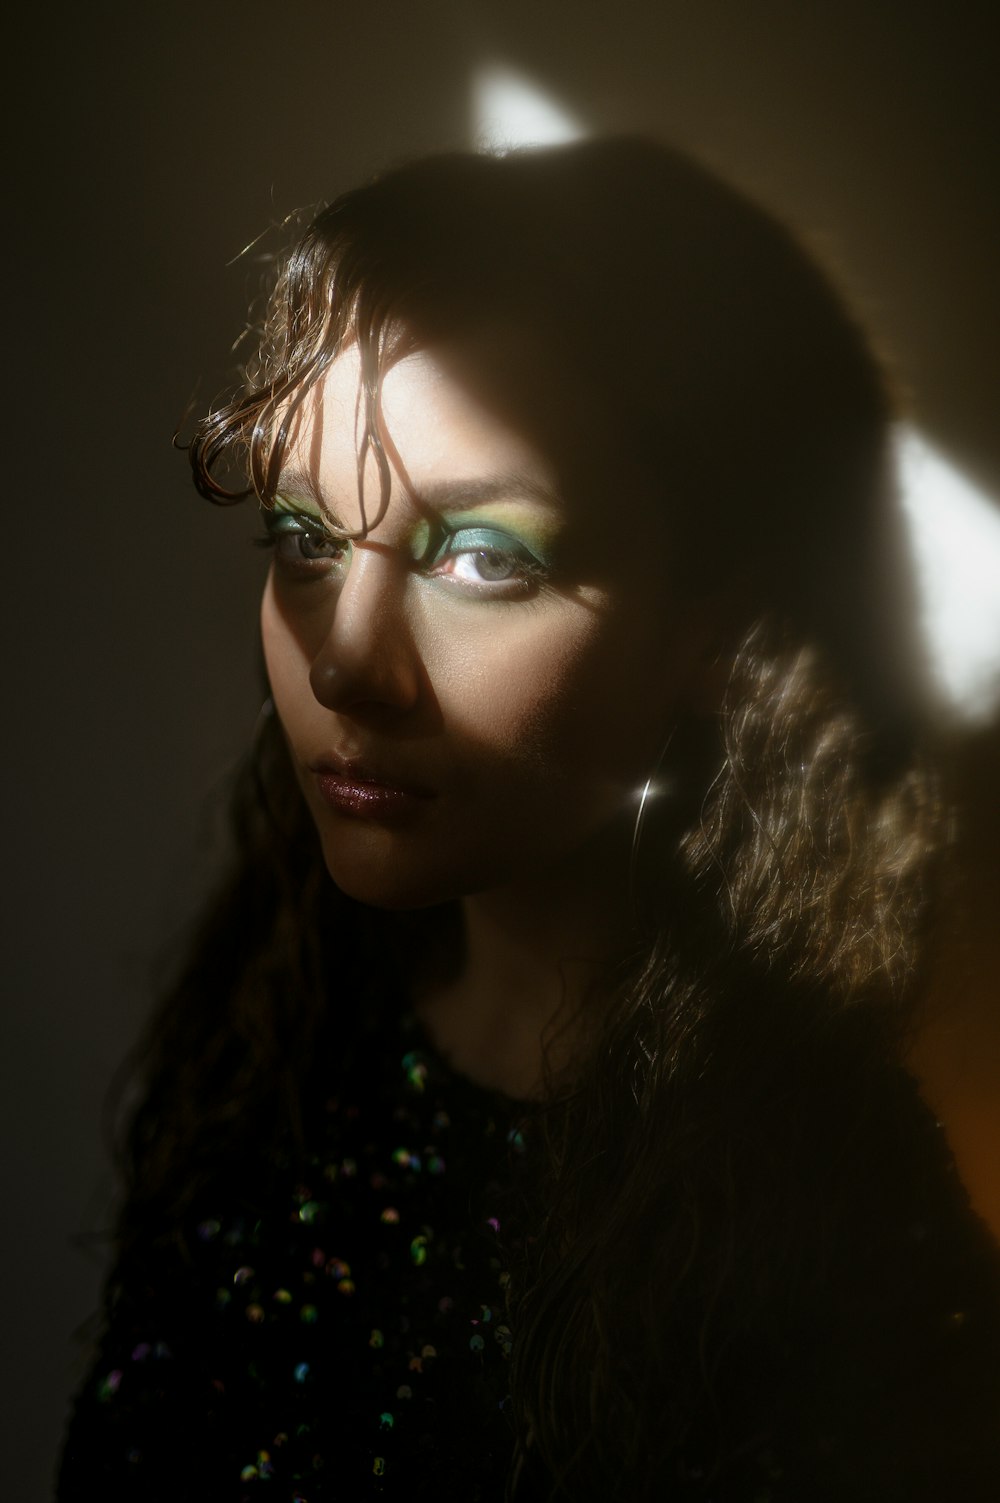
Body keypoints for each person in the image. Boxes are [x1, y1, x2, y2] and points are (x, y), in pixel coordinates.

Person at [58, 138, 1000, 1501]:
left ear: (717, 630)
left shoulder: (838, 1239)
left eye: (484, 555)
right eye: (307, 536)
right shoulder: (275, 1016)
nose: (341, 663)